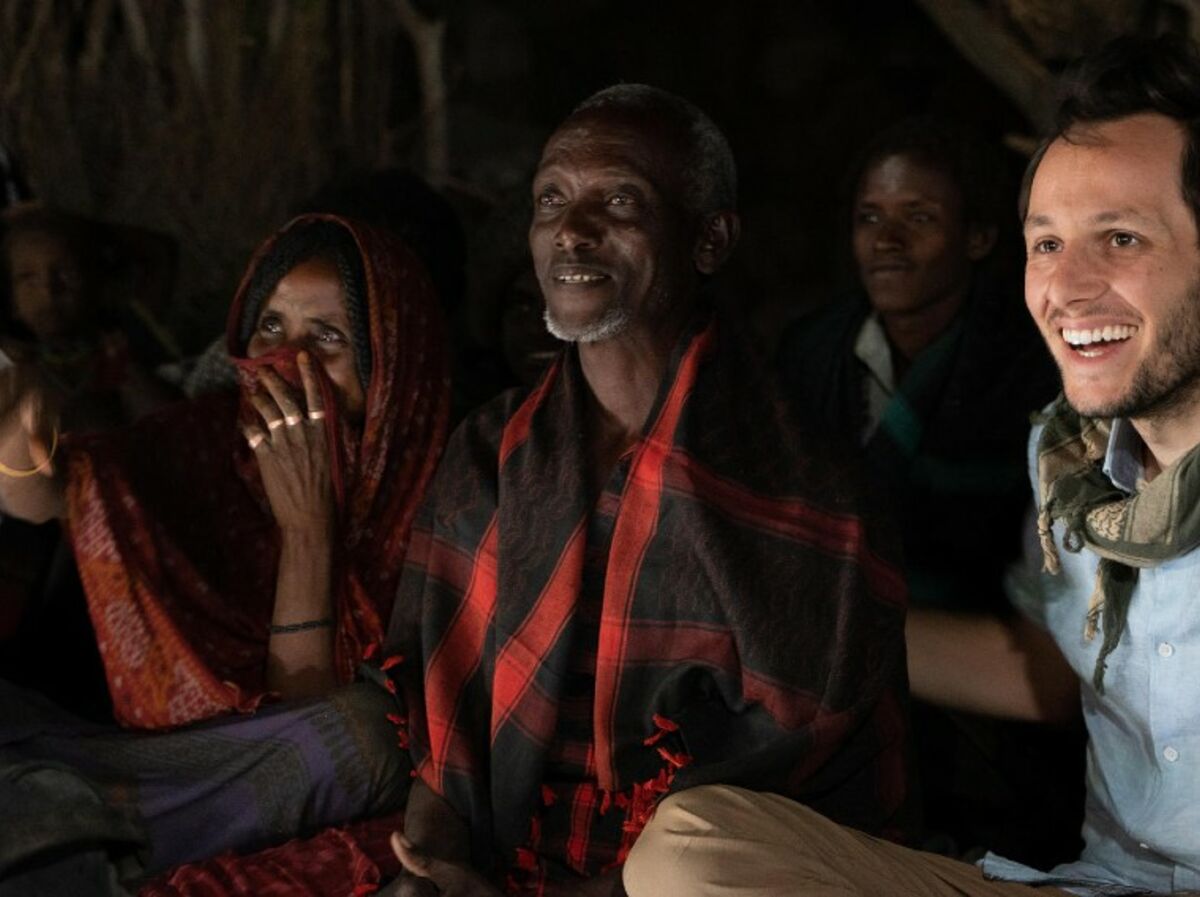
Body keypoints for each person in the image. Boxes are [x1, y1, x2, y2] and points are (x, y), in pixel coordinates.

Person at [623, 33, 1200, 897]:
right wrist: (788, 615)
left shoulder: (996, 379)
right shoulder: (1069, 456)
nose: (1067, 287)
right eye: (1046, 243)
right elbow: (1051, 669)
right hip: (1093, 885)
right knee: (690, 845)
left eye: (1120, 238)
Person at [382, 85, 912, 897]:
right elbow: (440, 744)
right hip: (502, 863)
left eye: (618, 199)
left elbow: (781, 812)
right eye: (550, 198)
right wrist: (434, 868)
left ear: (709, 239)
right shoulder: (489, 453)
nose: (572, 228)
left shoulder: (809, 489)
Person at [0, 214, 450, 728]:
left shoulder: (444, 502)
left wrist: (307, 529)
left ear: (391, 368)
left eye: (327, 336)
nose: (285, 359)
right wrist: (23, 424)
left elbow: (306, 730)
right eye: (271, 326)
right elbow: (62, 492)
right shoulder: (210, 436)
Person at [777, 119, 1075, 862]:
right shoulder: (814, 354)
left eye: (919, 218)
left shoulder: (1037, 370)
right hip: (842, 684)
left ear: (977, 238)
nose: (887, 240)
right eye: (870, 218)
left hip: (990, 693)